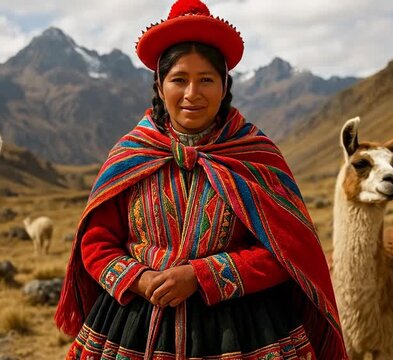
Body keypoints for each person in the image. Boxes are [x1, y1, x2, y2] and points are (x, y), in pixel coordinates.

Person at [55, 0, 347, 358]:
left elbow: (286, 252)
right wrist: (142, 280)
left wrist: (202, 275)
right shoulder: (131, 154)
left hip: (240, 330)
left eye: (206, 80)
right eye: (179, 79)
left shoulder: (255, 155)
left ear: (224, 86)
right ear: (160, 87)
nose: (192, 93)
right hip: (134, 320)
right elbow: (97, 242)